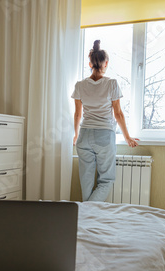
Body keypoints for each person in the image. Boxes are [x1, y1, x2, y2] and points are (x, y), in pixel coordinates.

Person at [71, 40, 138, 202]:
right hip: (104, 136)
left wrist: (75, 135)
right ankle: (88, 211)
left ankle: (85, 217)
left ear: (90, 63)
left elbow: (77, 115)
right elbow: (118, 114)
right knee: (106, 180)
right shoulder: (111, 84)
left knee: (86, 181)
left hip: (84, 136)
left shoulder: (80, 85)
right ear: (105, 63)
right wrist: (127, 137)